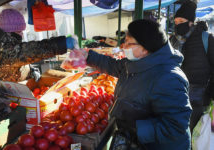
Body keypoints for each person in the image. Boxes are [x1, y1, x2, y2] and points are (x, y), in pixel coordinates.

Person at [73, 19, 192, 150]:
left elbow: (176, 126)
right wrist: (87, 56)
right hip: (138, 141)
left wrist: (135, 127)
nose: (124, 46)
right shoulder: (137, 63)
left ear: (145, 48)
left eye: (129, 43)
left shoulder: (169, 78)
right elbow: (113, 65)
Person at [0, 8, 77, 82]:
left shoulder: (6, 45)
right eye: (19, 31)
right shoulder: (3, 49)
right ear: (8, 32)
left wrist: (30, 71)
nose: (22, 34)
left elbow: (18, 61)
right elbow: (30, 51)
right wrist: (60, 44)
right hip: (5, 96)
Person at [170, 0, 214, 132]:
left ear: (191, 22)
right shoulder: (173, 40)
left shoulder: (206, 39)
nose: (178, 25)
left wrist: (209, 95)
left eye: (181, 21)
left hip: (199, 99)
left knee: (195, 133)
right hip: (175, 96)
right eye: (176, 22)